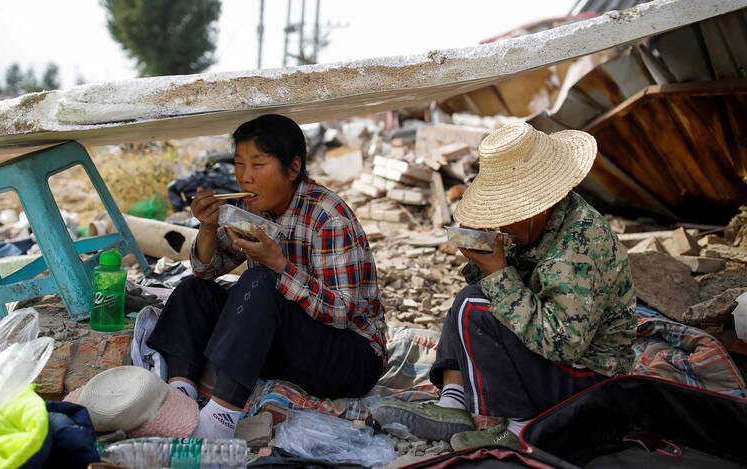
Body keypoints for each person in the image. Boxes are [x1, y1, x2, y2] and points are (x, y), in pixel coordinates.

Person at [374, 122, 636, 450]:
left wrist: (497, 272)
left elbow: (563, 344)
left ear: (537, 207)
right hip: (562, 364)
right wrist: (483, 257)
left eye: (507, 213)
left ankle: (522, 425)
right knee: (469, 299)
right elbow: (504, 287)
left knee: (476, 309)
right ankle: (453, 404)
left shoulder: (580, 245)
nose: (501, 223)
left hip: (593, 383)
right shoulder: (543, 224)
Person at [148, 114, 386, 439]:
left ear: (292, 169)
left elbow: (342, 313)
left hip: (350, 358)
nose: (245, 178)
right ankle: (181, 392)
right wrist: (206, 227)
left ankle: (219, 418)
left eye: (258, 165)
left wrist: (279, 265)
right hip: (287, 343)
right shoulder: (256, 210)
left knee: (260, 283)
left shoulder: (328, 217)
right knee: (194, 290)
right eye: (239, 164)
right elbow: (206, 269)